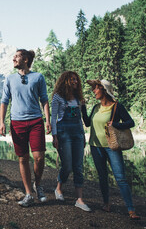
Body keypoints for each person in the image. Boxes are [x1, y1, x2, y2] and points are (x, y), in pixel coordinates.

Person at [82, 79, 140, 220]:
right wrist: (83, 107)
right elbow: (88, 123)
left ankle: (131, 210)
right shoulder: (96, 107)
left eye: (96, 88)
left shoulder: (116, 107)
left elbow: (130, 122)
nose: (93, 91)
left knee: (120, 178)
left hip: (112, 147)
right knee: (102, 177)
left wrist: (116, 124)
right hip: (95, 147)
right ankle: (106, 203)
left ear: (104, 90)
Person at [0, 49, 51, 207]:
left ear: (26, 60)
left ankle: (38, 184)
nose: (13, 58)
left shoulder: (38, 77)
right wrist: (2, 121)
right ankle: (28, 193)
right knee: (22, 158)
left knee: (39, 158)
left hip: (36, 121)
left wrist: (48, 120)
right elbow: (4, 101)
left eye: (16, 56)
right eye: (13, 56)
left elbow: (44, 99)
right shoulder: (10, 79)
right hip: (17, 123)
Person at [51, 71, 91, 212]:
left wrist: (83, 135)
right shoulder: (58, 97)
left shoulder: (79, 99)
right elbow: (53, 118)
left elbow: (83, 120)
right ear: (65, 81)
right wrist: (54, 136)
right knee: (67, 166)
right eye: (72, 79)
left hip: (78, 134)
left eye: (76, 79)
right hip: (63, 134)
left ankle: (79, 199)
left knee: (78, 167)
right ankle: (59, 188)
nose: (75, 82)